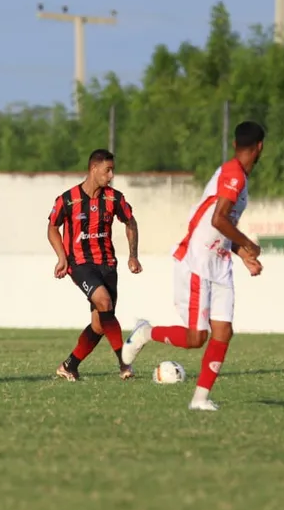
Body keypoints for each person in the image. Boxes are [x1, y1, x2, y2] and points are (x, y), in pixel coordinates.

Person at [122, 122, 266, 411]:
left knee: (223, 332)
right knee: (196, 338)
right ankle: (146, 332)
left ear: (235, 144)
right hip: (197, 262)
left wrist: (241, 253)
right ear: (260, 147)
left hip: (220, 263)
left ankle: (200, 399)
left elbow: (220, 228)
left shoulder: (239, 178)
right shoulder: (233, 174)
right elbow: (218, 219)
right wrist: (249, 243)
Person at [48, 149, 141, 381]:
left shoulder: (114, 198)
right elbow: (52, 227)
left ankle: (69, 365)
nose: (111, 176)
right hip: (80, 264)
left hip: (107, 264)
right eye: (107, 170)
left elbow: (130, 222)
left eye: (112, 170)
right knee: (104, 301)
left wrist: (133, 255)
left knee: (100, 324)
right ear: (94, 168)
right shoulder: (68, 199)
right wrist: (61, 257)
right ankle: (124, 361)